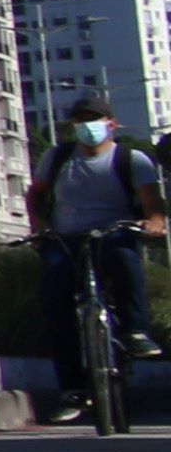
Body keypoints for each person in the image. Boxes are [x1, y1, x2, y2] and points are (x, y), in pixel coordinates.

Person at [35, 98, 164, 387]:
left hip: (113, 233)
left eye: (93, 119)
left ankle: (136, 332)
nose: (87, 126)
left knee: (124, 259)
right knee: (56, 300)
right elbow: (36, 196)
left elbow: (153, 203)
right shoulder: (56, 158)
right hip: (66, 239)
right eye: (80, 120)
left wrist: (155, 222)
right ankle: (73, 389)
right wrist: (40, 227)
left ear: (111, 124)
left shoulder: (131, 159)